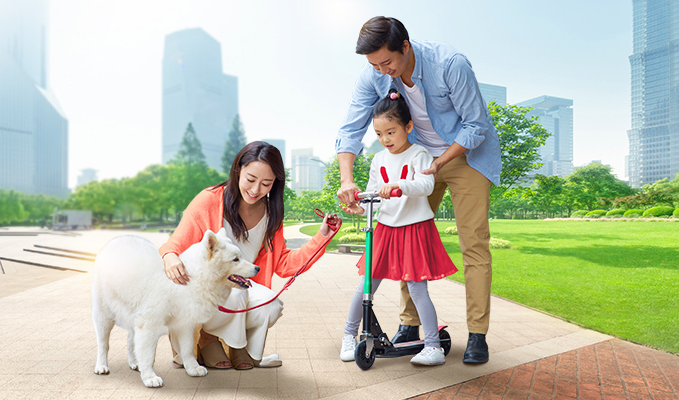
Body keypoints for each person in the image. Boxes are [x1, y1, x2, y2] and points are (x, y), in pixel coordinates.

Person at [334, 16, 501, 364]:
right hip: (417, 157)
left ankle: (477, 334)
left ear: (405, 47)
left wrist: (440, 163)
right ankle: (410, 326)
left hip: (465, 154)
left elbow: (475, 125)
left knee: (474, 242)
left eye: (387, 62)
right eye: (375, 65)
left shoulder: (449, 64)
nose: (382, 71)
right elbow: (351, 128)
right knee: (405, 230)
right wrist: (347, 180)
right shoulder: (374, 73)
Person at [159, 141, 337, 370]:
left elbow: (283, 264)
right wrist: (169, 257)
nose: (256, 190)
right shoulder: (210, 200)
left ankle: (238, 346)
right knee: (233, 295)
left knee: (270, 305)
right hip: (206, 292)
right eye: (251, 180)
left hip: (240, 286)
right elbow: (174, 244)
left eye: (266, 184)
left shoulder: (271, 213)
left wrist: (321, 237)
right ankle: (207, 339)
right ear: (238, 170)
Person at [338, 88, 458, 365]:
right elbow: (373, 196)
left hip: (415, 228)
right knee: (366, 285)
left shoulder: (420, 155)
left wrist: (399, 186)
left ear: (408, 127)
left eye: (390, 132)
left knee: (417, 289)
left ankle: (433, 347)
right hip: (386, 230)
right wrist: (361, 205)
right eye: (379, 134)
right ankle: (349, 335)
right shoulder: (378, 159)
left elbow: (426, 185)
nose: (385, 139)